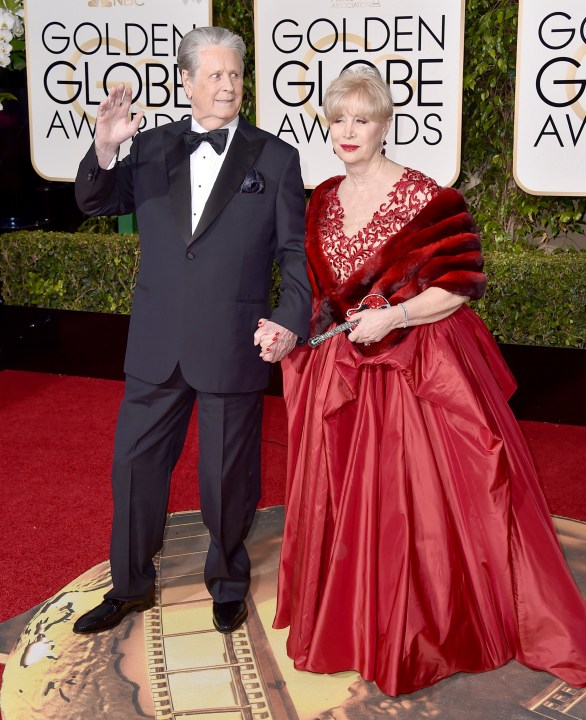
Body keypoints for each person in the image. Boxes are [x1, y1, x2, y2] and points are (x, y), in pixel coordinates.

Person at [273, 67, 586, 696]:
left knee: (416, 507)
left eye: (362, 119)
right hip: (342, 373)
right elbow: (318, 293)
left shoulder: (429, 197)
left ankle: (421, 629)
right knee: (345, 500)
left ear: (385, 124)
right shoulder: (322, 198)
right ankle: (352, 623)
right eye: (338, 119)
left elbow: (461, 286)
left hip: (416, 369)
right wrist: (292, 332)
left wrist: (395, 314)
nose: (349, 131)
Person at [72, 26, 311, 636]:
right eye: (215, 75)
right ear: (186, 81)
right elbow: (95, 203)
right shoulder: (148, 148)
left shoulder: (276, 158)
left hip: (232, 341)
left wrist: (288, 318)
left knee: (227, 477)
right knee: (132, 468)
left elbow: (294, 254)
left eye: (236, 74)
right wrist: (104, 150)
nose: (229, 85)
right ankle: (129, 586)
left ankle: (227, 581)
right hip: (156, 342)